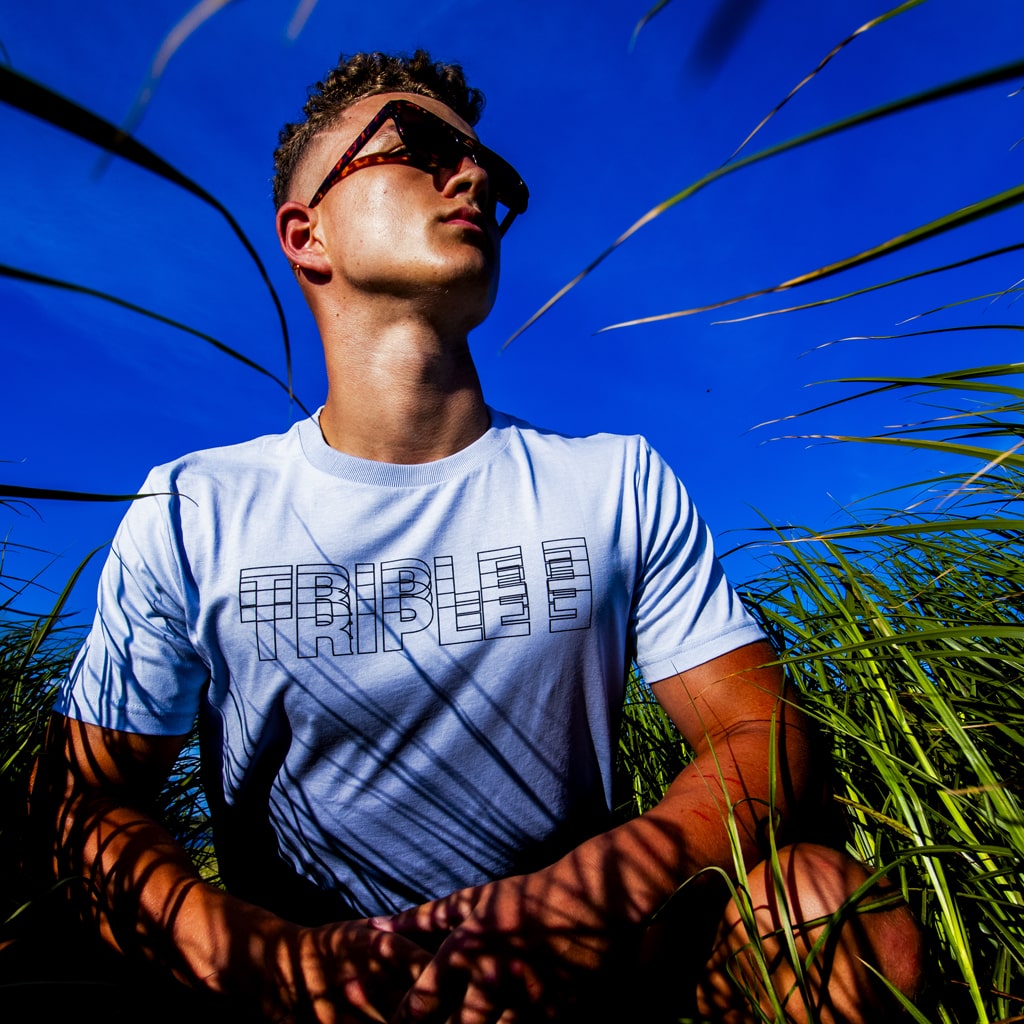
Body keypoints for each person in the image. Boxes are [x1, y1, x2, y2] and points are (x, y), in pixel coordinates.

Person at [33, 50, 922, 1024]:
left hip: (588, 979)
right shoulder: (195, 508)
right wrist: (268, 962)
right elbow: (85, 808)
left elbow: (760, 732)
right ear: (306, 234)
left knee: (830, 911)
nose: (471, 179)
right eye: (415, 148)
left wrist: (583, 900)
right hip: (305, 998)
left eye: (487, 171)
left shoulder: (609, 479)